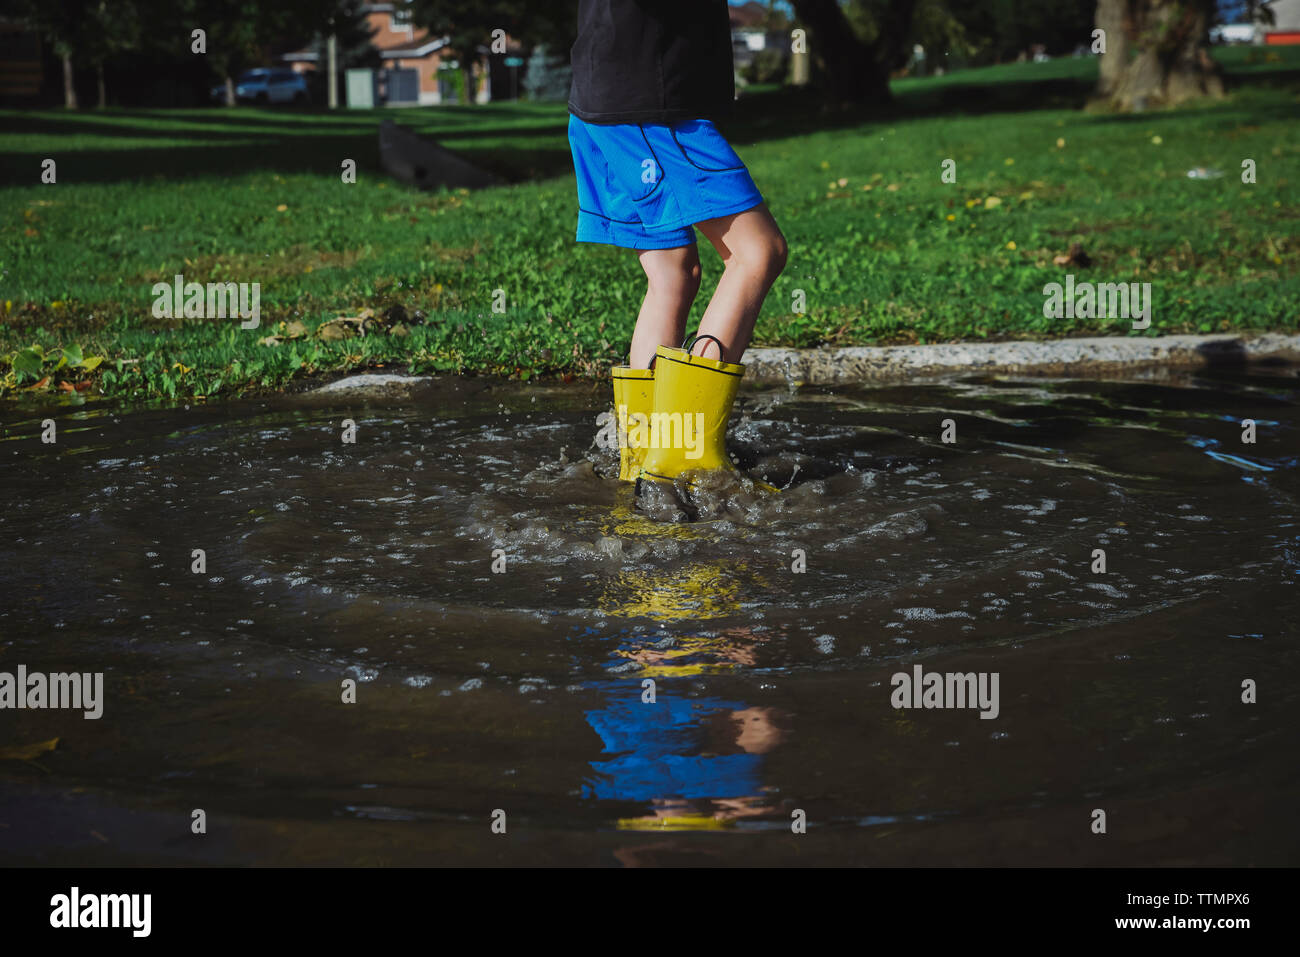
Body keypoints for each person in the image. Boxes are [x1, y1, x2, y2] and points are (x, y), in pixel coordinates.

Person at [567, 0, 788, 491]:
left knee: (672, 273)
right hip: (648, 104)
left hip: (603, 98)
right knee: (758, 252)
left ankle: (642, 460)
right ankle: (683, 461)